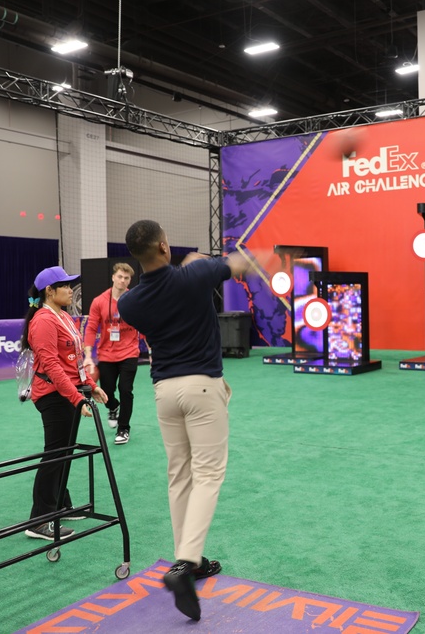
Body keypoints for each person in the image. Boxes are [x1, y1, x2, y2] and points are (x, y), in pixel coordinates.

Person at [118, 220, 265, 622]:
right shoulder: (194, 274)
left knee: (179, 475)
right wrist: (202, 261)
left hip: (165, 392)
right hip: (202, 387)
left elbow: (158, 293)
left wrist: (191, 265)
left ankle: (191, 559)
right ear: (164, 245)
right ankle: (185, 562)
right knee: (208, 474)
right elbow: (243, 264)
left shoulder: (128, 303)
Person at [21, 266, 108, 541]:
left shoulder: (63, 316)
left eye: (71, 285)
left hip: (68, 392)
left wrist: (90, 387)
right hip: (53, 395)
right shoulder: (43, 320)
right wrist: (77, 397)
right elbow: (51, 366)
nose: (72, 290)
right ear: (50, 291)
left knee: (64, 452)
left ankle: (60, 504)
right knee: (55, 454)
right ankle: (39, 520)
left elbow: (74, 360)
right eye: (66, 286)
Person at [83, 262, 142, 445]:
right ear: (113, 277)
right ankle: (112, 406)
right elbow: (91, 328)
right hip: (107, 354)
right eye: (120, 276)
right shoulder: (99, 301)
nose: (122, 280)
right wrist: (87, 355)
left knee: (126, 390)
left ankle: (123, 428)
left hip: (130, 352)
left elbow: (145, 324)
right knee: (106, 391)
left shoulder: (136, 300)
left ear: (129, 280)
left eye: (126, 278)